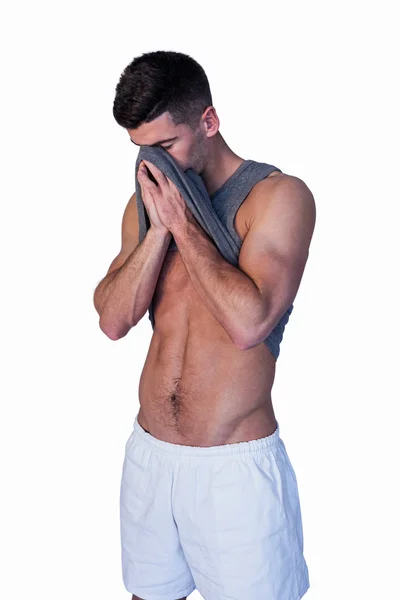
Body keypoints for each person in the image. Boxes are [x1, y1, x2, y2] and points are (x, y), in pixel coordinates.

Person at [93, 50, 316, 600]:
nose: (155, 162)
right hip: (151, 459)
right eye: (142, 148)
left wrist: (183, 224)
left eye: (166, 146)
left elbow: (250, 323)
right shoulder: (146, 207)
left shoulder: (277, 197)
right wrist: (158, 231)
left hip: (234, 473)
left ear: (208, 122)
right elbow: (113, 319)